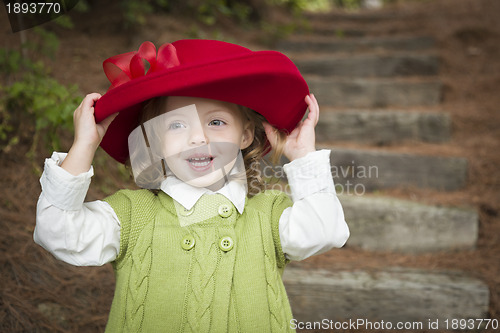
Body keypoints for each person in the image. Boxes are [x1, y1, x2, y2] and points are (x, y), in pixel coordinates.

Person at [34, 39, 349, 332]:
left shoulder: (268, 216)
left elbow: (325, 230)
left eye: (216, 122)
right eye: (177, 124)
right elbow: (57, 231)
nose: (198, 138)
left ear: (246, 135)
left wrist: (304, 157)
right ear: (155, 142)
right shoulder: (131, 216)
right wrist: (83, 148)